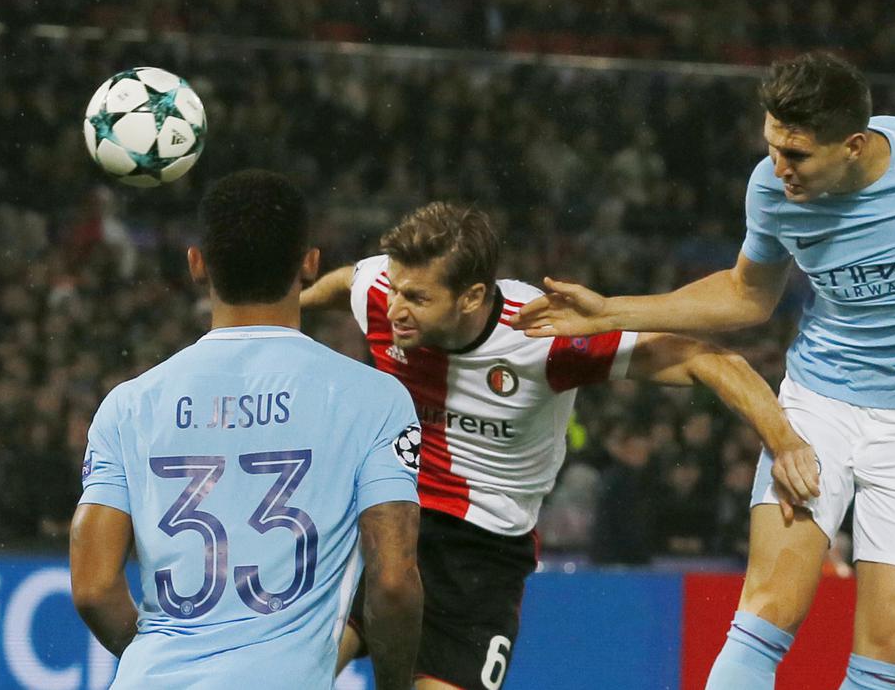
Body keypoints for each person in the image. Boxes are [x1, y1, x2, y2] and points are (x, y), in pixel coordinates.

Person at [512, 51, 895, 689]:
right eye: (771, 146)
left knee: (884, 658)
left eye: (796, 154)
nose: (778, 167)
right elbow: (747, 296)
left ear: (853, 145)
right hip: (820, 409)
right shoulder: (772, 190)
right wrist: (609, 311)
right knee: (766, 612)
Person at [300, 201, 813, 690]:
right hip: (393, 516)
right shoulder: (382, 289)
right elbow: (347, 281)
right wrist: (292, 307)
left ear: (471, 298)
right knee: (299, 673)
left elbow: (708, 359)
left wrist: (785, 442)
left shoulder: (543, 333)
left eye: (417, 298)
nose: (395, 308)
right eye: (395, 290)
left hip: (484, 556)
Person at [69, 169, 423, 690]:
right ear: (310, 264)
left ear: (197, 264)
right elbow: (392, 582)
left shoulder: (128, 406)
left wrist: (169, 661)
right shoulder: (374, 399)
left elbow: (94, 588)